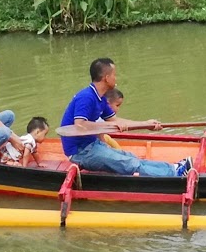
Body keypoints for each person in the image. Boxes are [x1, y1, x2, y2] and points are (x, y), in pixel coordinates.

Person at [60, 58, 188, 177]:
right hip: (80, 152)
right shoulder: (86, 97)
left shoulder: (100, 98)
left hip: (92, 145)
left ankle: (173, 168)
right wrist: (110, 126)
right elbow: (80, 125)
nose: (116, 78)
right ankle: (174, 174)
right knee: (129, 164)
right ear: (106, 77)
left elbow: (115, 120)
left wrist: (146, 124)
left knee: (131, 157)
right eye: (114, 74)